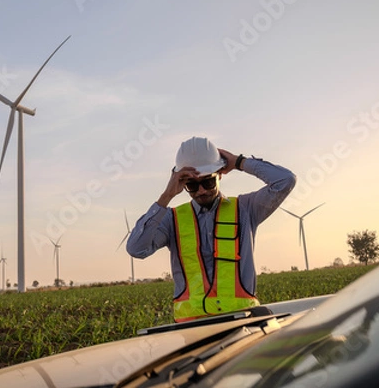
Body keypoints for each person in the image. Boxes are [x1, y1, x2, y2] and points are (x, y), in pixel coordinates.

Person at [126, 136, 296, 322]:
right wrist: (166, 196)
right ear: (182, 184)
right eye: (192, 185)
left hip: (241, 323)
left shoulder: (246, 209)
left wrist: (239, 162)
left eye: (208, 182)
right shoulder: (170, 219)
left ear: (220, 175)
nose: (201, 191)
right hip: (190, 329)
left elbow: (285, 180)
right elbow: (136, 249)